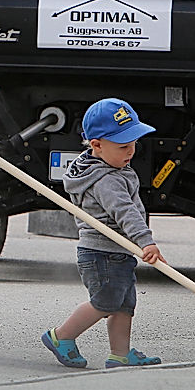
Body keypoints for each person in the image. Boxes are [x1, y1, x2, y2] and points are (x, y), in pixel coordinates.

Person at [41, 97, 165, 369]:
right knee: (105, 303)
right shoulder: (105, 179)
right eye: (123, 145)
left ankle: (120, 355)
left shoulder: (111, 166)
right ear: (96, 145)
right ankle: (61, 336)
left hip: (118, 252)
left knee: (124, 305)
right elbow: (125, 212)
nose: (131, 151)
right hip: (102, 253)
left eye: (133, 143)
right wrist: (146, 241)